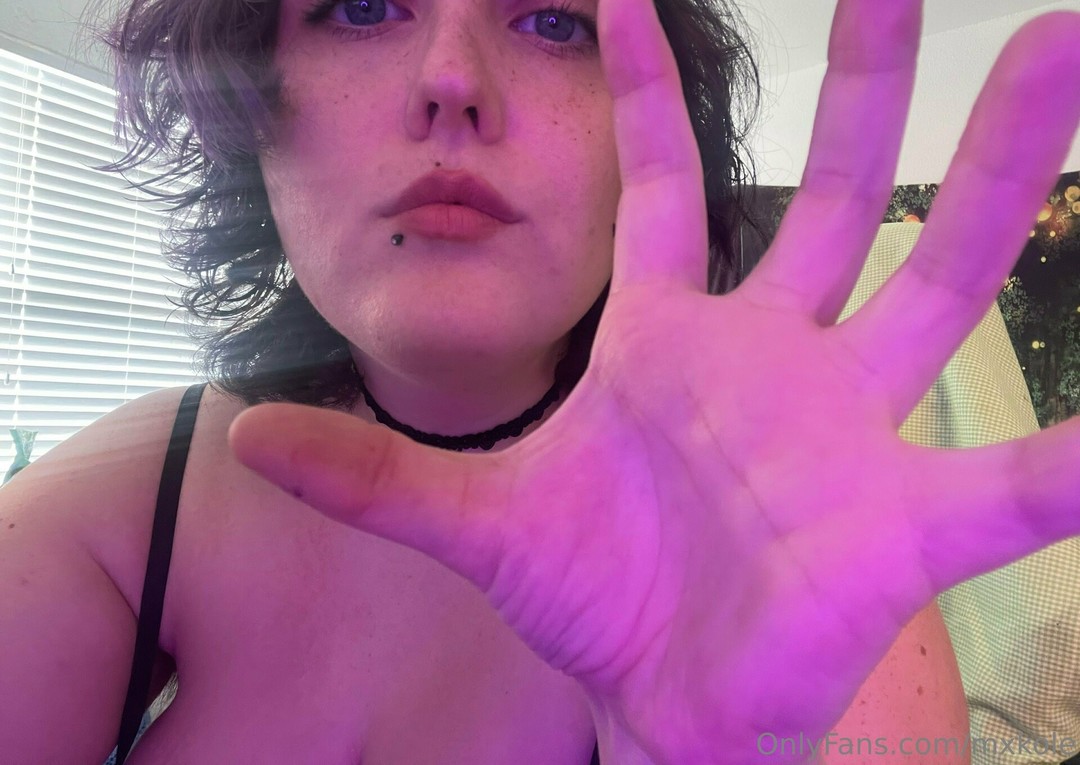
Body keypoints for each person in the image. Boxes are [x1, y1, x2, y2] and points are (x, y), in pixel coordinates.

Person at [0, 0, 1077, 763]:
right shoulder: (125, 496)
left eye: (554, 21)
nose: (452, 80)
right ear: (254, 104)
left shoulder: (780, 546)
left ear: (640, 139)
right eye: (363, 6)